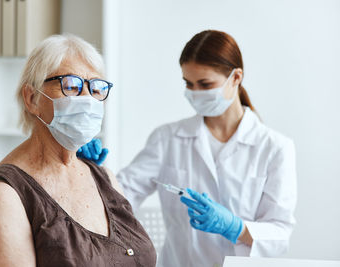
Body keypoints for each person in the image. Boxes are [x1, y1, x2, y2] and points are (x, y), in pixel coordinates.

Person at [79, 30, 297, 267]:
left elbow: (280, 233)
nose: (195, 93)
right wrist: (91, 173)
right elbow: (123, 196)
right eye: (189, 84)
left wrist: (235, 227)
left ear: (236, 77)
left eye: (205, 84)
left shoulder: (274, 148)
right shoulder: (168, 138)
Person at [0, 34, 156, 267]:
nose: (87, 99)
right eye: (71, 86)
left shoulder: (105, 178)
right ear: (32, 98)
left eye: (96, 88)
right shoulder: (3, 193)